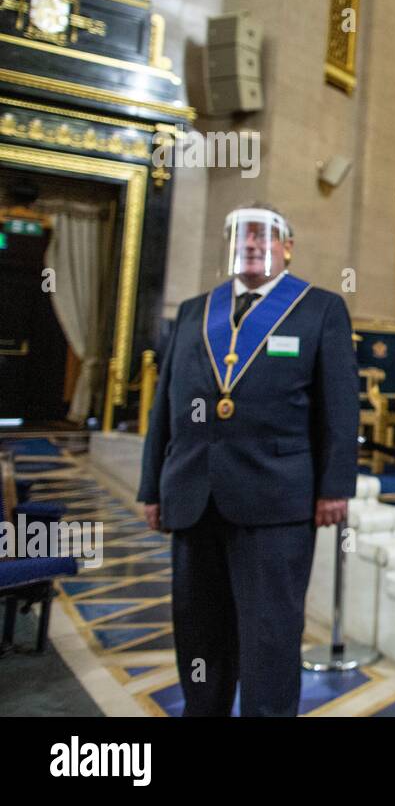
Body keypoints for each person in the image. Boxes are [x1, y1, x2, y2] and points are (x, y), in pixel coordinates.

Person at [138, 203, 358, 716]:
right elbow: (164, 406)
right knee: (198, 632)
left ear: (287, 247)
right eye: (242, 235)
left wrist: (335, 485)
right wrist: (152, 486)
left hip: (276, 498)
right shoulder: (195, 311)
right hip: (193, 495)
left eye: (264, 235)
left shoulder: (319, 308)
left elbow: (340, 407)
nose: (252, 243)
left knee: (270, 636)